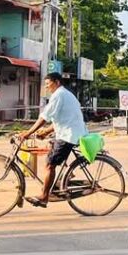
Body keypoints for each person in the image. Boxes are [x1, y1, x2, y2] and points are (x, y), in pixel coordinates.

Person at [18, 72, 88, 207]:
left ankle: (44, 197)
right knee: (51, 152)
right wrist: (45, 132)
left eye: (48, 83)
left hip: (68, 135)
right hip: (69, 132)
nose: (46, 87)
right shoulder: (65, 94)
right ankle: (62, 179)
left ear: (57, 82)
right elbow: (60, 119)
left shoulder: (59, 95)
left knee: (50, 165)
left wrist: (28, 132)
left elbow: (45, 117)